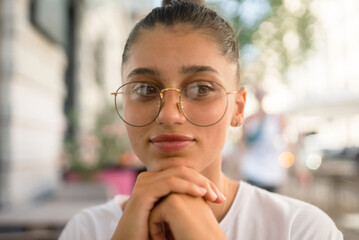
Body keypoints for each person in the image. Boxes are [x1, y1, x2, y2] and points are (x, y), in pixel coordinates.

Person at [59, 0, 343, 239]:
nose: (169, 114)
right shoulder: (86, 231)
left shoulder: (300, 230)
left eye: (201, 89)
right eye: (146, 89)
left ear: (238, 108)